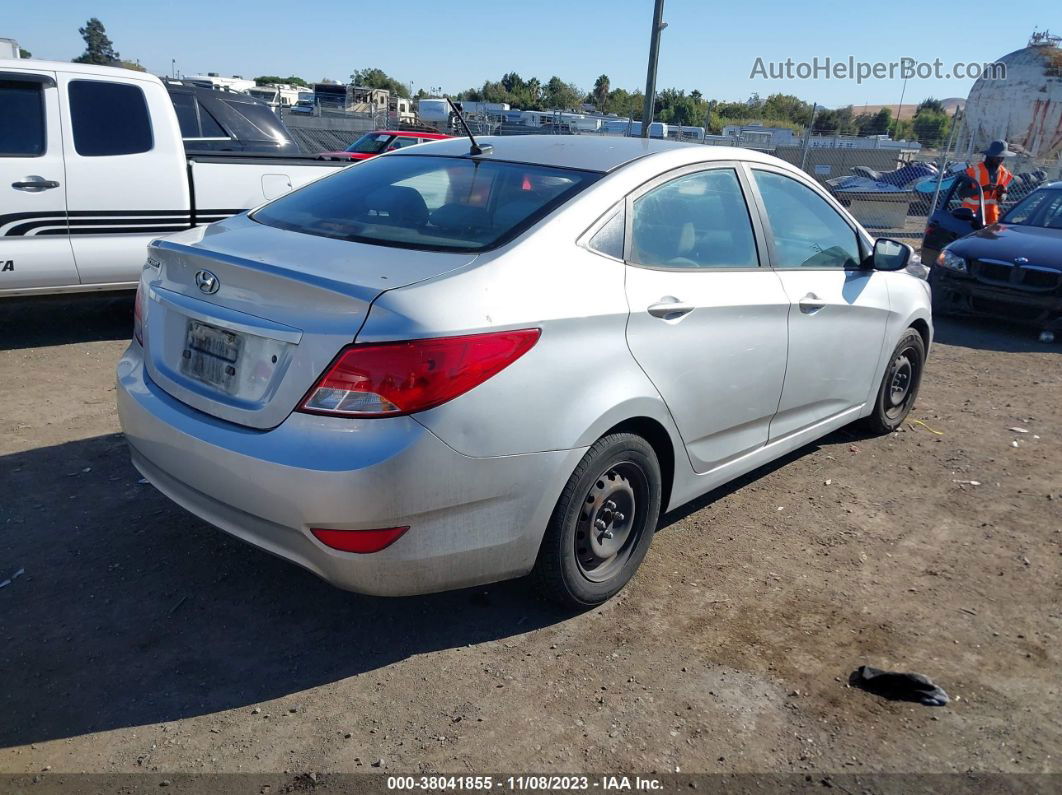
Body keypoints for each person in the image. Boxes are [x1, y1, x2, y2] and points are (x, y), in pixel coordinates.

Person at [960, 140, 1015, 226]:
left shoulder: (1005, 173)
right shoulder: (973, 171)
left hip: (991, 219)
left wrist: (1001, 195)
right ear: (990, 155)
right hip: (971, 217)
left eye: (1003, 156)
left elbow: (1002, 198)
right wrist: (983, 189)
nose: (1001, 159)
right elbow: (962, 193)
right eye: (998, 156)